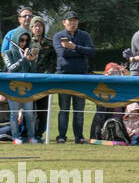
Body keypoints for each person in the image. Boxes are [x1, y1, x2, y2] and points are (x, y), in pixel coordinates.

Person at [51, 12, 94, 144]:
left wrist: (75, 47)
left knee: (79, 110)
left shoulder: (84, 35)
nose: (73, 23)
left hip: (81, 77)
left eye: (75, 20)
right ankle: (62, 136)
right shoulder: (58, 36)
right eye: (70, 21)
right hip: (64, 77)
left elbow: (91, 51)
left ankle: (79, 137)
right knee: (64, 108)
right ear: (64, 22)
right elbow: (62, 53)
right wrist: (80, 52)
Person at [2, 30, 37, 143]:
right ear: (16, 39)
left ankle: (31, 137)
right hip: (13, 87)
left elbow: (32, 72)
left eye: (26, 41)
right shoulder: (7, 53)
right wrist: (23, 59)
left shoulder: (27, 52)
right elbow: (11, 68)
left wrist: (32, 61)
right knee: (14, 114)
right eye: (21, 40)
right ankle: (16, 137)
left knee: (29, 114)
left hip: (27, 87)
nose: (23, 43)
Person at [27, 15, 55, 141]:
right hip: (30, 80)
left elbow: (53, 61)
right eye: (35, 26)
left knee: (42, 110)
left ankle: (39, 134)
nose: (38, 28)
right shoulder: (26, 42)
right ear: (31, 28)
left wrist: (48, 73)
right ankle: (28, 133)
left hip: (44, 80)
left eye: (40, 26)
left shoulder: (49, 43)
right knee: (29, 109)